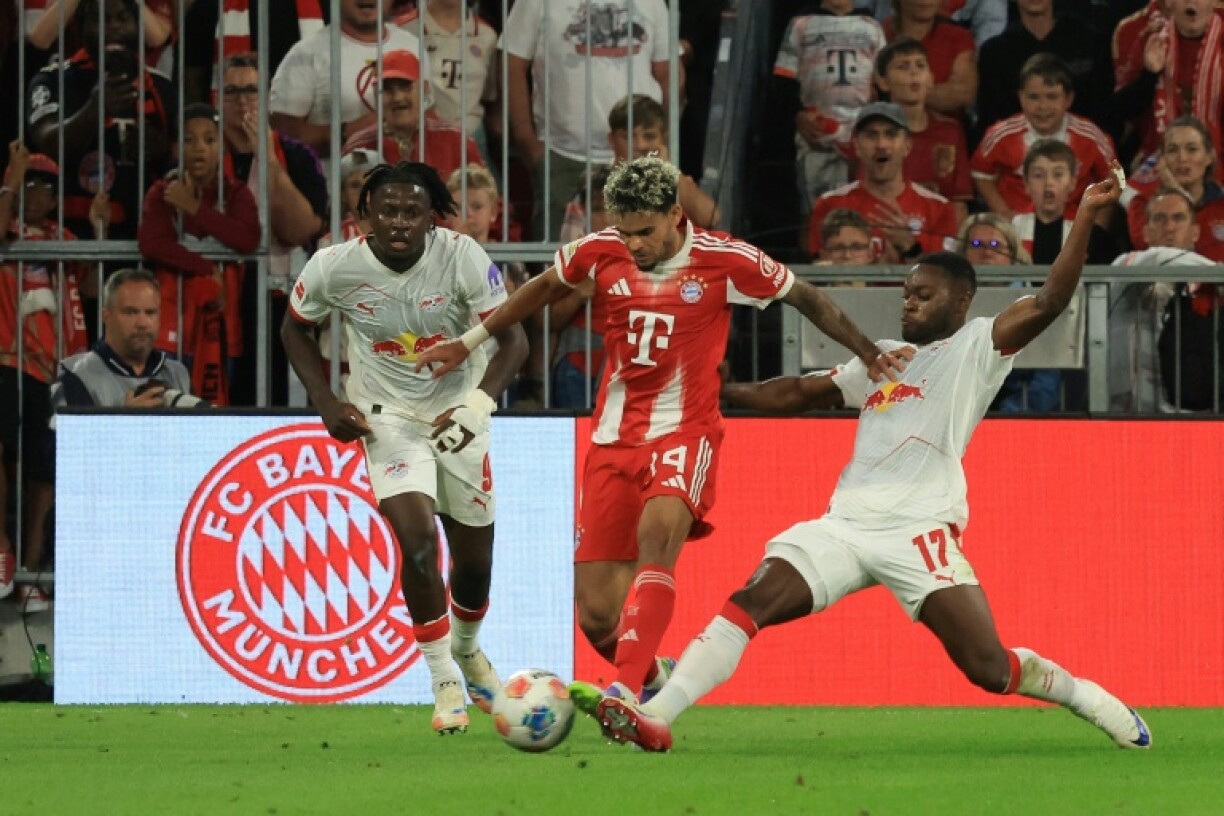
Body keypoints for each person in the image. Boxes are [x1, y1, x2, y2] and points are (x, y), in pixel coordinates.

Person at [595, 166, 1153, 755]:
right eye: (906, 293)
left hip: (918, 529)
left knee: (988, 667)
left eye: (924, 295)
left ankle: (1086, 696)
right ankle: (657, 714)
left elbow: (1051, 299)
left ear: (962, 300)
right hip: (846, 524)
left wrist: (1087, 215)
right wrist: (717, 393)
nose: (908, 304)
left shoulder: (979, 347)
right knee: (749, 603)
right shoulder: (885, 357)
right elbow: (798, 393)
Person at [414, 155, 906, 712]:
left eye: (645, 232)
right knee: (598, 617)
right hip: (611, 440)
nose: (634, 245)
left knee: (657, 540)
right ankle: (650, 674)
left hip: (685, 433)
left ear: (676, 214)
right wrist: (470, 340)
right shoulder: (601, 250)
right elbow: (545, 289)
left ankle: (623, 692)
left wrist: (867, 352)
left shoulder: (725, 259)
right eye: (624, 232)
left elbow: (806, 297)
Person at [280, 161, 528, 734]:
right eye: (387, 210)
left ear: (430, 218)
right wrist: (323, 399)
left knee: (474, 565)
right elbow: (294, 326)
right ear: (365, 214)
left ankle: (468, 650)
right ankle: (444, 683)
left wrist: (478, 405)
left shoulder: (462, 255)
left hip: (460, 415)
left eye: (411, 212)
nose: (398, 222)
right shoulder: (334, 267)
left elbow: (514, 341)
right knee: (417, 544)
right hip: (385, 418)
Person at [38, 269, 203, 610]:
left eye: (150, 313)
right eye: (131, 312)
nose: (142, 322)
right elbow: (61, 459)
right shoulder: (75, 374)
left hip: (166, 523)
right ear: (107, 315)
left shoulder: (178, 372)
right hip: (98, 526)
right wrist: (121, 423)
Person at [0, 145, 92, 608]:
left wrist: (98, 232)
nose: (39, 193)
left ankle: (31, 571)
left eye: (47, 186)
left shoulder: (64, 237)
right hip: (10, 362)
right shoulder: (7, 229)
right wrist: (9, 180)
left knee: (45, 472)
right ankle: (3, 554)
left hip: (56, 367)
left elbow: (90, 288)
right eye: (30, 183)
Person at [502, 0, 673, 240]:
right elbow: (512, 64)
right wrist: (527, 142)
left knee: (641, 253)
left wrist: (666, 142)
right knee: (558, 262)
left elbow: (668, 72)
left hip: (639, 156)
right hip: (562, 155)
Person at [216, 52, 329, 406]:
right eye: (232, 92)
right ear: (218, 98)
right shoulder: (201, 150)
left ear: (265, 97)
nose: (242, 100)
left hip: (277, 298)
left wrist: (267, 160)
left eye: (251, 89)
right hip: (217, 298)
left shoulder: (296, 156)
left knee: (276, 397)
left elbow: (301, 229)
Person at [137, 104, 261, 406]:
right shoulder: (163, 191)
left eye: (209, 139)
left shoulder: (235, 193)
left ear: (221, 146)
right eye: (189, 140)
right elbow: (152, 242)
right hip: (169, 327)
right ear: (176, 147)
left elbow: (247, 238)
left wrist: (194, 208)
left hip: (221, 326)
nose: (199, 149)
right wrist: (205, 267)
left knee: (214, 413)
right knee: (165, 408)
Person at [26, 0, 175, 243]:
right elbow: (47, 142)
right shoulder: (51, 80)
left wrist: (160, 150)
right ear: (81, 26)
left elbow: (182, 162)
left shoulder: (162, 87)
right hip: (67, 239)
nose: (112, 27)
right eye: (101, 19)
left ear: (138, 26)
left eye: (122, 18)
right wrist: (95, 109)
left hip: (142, 240)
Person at [772, 0, 887, 226]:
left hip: (860, 132)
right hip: (815, 131)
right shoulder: (801, 24)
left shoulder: (871, 26)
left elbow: (883, 80)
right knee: (813, 213)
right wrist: (797, 115)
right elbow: (784, 78)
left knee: (862, 210)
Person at [269, 0, 425, 157]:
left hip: (406, 177)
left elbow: (429, 115)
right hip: (333, 179)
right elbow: (281, 134)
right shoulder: (306, 54)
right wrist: (348, 132)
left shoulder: (412, 44)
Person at [971, 53, 1116, 221]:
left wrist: (1095, 232)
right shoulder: (1000, 135)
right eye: (1033, 97)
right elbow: (981, 174)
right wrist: (1005, 216)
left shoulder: (1092, 137)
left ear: (1068, 99)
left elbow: (1111, 183)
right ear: (1021, 98)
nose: (1042, 106)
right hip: (1017, 226)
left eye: (1052, 97)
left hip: (1074, 227)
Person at [1109, 187, 1216, 412]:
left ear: (1195, 232)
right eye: (1159, 219)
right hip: (1128, 416)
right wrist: (1216, 273)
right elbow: (1160, 258)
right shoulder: (1127, 263)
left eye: (1178, 218)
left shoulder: (1208, 287)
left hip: (1189, 417)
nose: (1169, 227)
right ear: (1145, 232)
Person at [809, 102, 959, 263]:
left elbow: (945, 279)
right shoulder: (829, 204)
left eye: (891, 134)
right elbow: (820, 271)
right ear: (857, 146)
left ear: (907, 145)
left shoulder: (939, 208)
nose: (881, 145)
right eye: (871, 135)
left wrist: (911, 249)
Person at [973, 0, 1116, 147]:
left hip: (1085, 156)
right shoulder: (994, 53)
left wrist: (1113, 167)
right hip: (1016, 158)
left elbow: (1107, 115)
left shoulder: (1092, 42)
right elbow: (989, 120)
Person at [342, 49, 484, 186]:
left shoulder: (456, 141)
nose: (397, 97)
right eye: (387, 89)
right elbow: (341, 206)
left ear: (425, 89)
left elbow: (489, 201)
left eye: (405, 87)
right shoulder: (358, 147)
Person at [874, 38, 973, 223]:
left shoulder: (950, 131)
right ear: (883, 82)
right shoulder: (873, 135)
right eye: (903, 66)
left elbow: (958, 203)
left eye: (920, 65)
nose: (914, 72)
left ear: (931, 79)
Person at [396, 0, 501, 165]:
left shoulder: (487, 35)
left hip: (472, 139)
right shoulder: (404, 30)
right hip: (422, 142)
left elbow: (490, 98)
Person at [607, 95, 720, 229]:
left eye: (649, 136)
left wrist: (669, 171)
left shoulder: (677, 181)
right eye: (629, 137)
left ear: (663, 139)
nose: (641, 145)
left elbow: (711, 218)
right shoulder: (595, 185)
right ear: (611, 140)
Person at [1122, 116, 1224, 261]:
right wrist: (1177, 192)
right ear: (1161, 159)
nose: (1182, 158)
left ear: (1209, 157)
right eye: (1172, 150)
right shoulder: (1142, 205)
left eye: (1192, 149)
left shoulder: (1221, 204)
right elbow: (1163, 251)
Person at [883, 0, 978, 117]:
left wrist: (900, 92)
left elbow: (964, 93)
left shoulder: (958, 37)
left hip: (945, 132)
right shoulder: (878, 33)